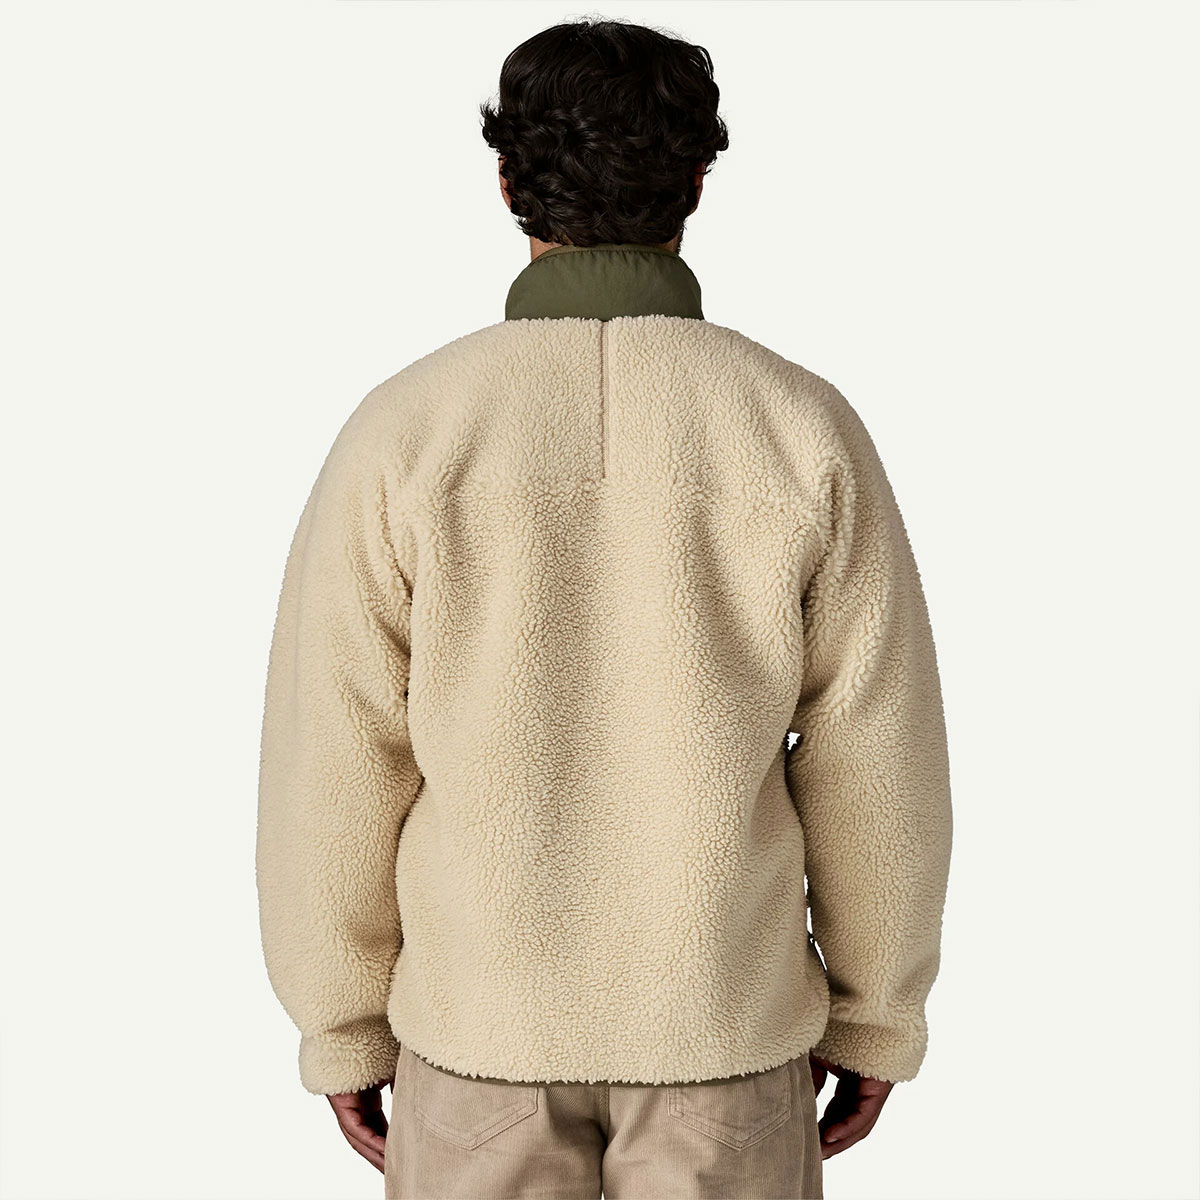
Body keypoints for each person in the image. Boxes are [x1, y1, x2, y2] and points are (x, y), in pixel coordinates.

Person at [255, 17, 952, 1200]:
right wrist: (876, 1010)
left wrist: (340, 1020)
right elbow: (875, 755)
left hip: (475, 1041)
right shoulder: (800, 428)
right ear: (697, 180)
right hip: (725, 1034)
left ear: (506, 181)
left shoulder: (405, 434)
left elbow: (333, 755)